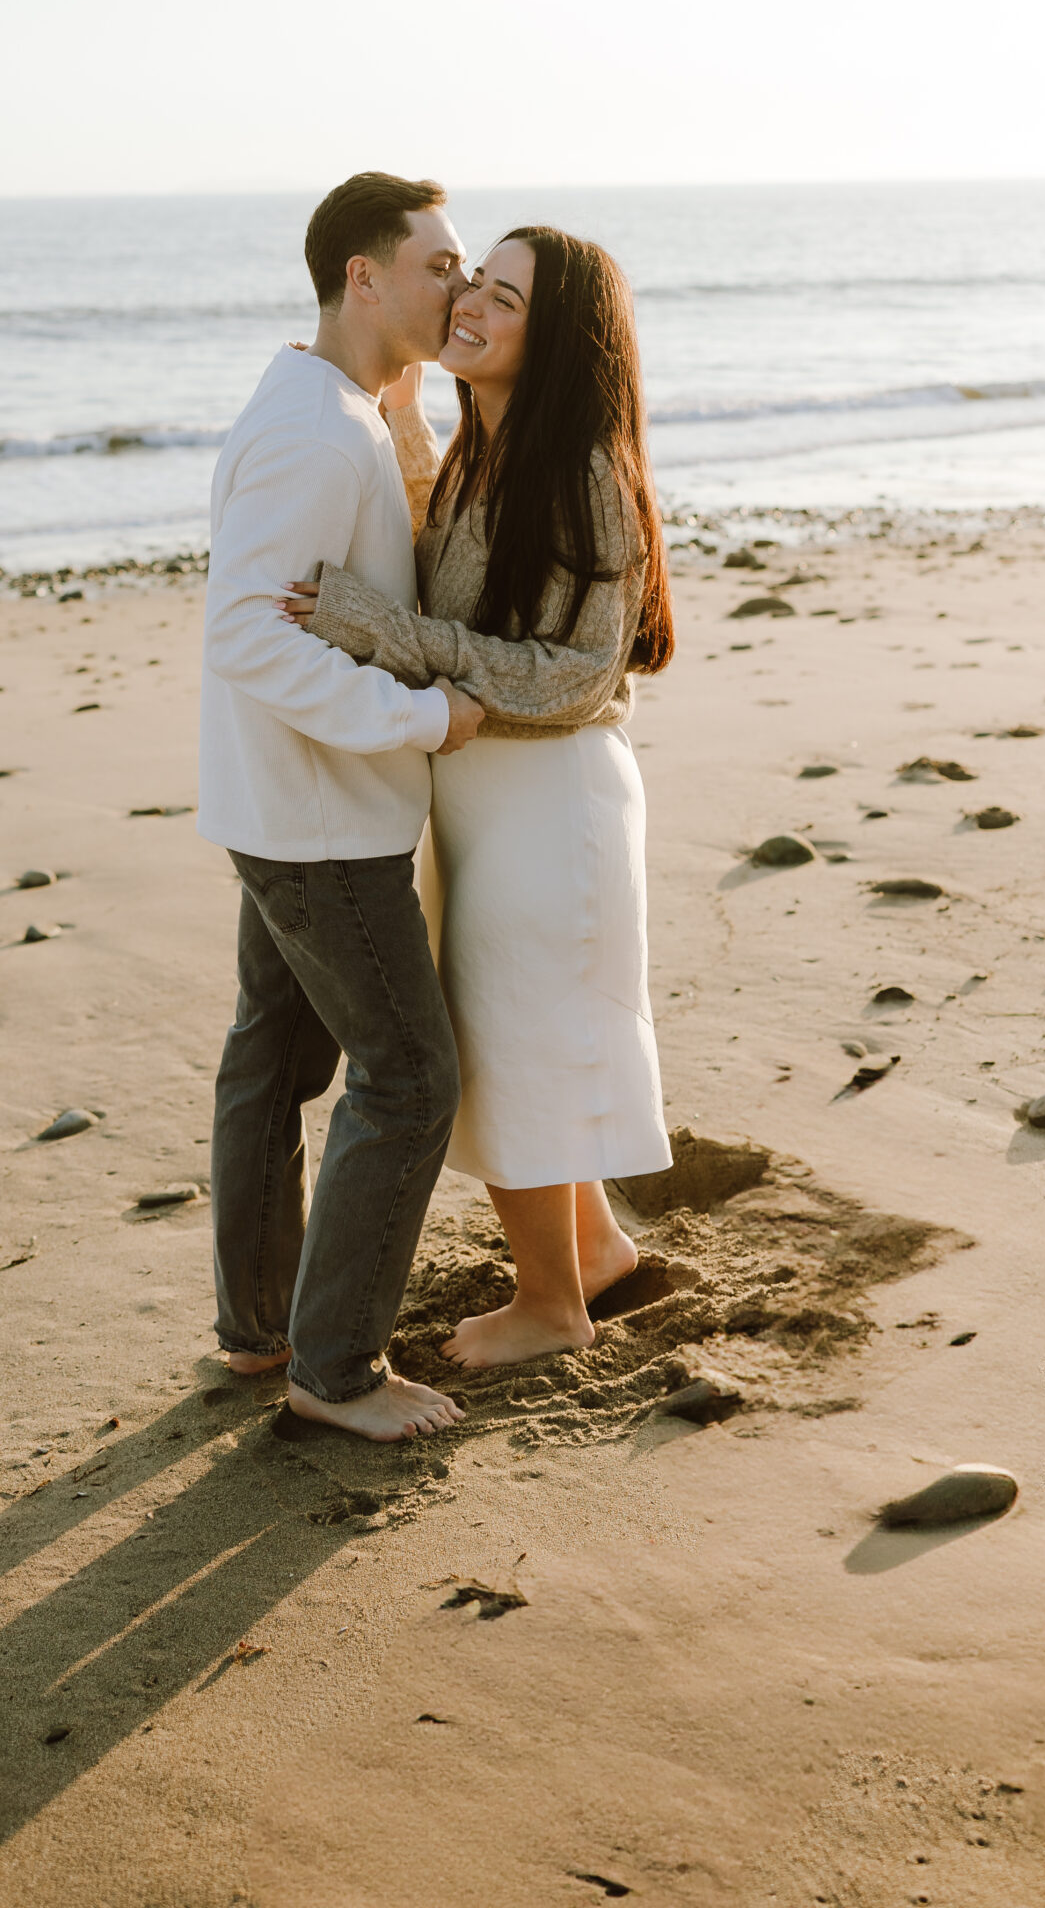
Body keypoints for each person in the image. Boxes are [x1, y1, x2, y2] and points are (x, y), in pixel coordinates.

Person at [281, 225, 676, 1369]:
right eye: (470, 283)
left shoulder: (583, 467)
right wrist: (400, 413)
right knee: (509, 1040)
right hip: (488, 800)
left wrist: (380, 631)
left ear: (553, 339)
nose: (470, 306)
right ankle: (592, 1249)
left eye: (501, 297)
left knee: (519, 1043)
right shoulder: (485, 447)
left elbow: (581, 672)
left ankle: (553, 1306)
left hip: (552, 799)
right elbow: (451, 561)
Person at [198, 169, 485, 1441]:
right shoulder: (315, 428)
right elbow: (249, 634)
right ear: (361, 277)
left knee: (277, 1061)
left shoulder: (339, 408)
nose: (462, 287)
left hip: (283, 804)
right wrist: (421, 719)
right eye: (439, 264)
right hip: (324, 820)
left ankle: (264, 1331)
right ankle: (338, 1370)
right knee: (412, 1076)